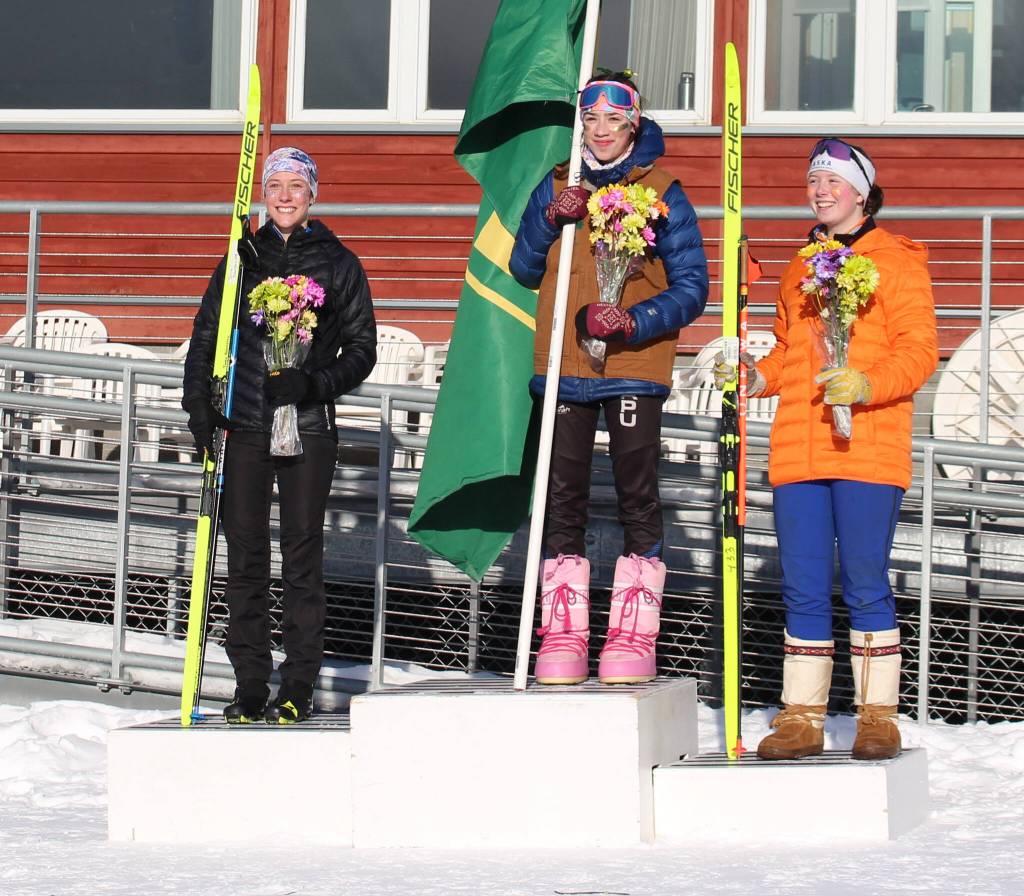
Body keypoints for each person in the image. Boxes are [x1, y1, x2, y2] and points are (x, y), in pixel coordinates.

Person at [715, 137, 938, 759]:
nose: (820, 189)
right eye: (813, 179)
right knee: (804, 585)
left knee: (866, 580)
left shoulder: (897, 259)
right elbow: (790, 353)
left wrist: (867, 385)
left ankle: (876, 717)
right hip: (799, 446)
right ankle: (803, 717)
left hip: (869, 443)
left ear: (862, 192)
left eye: (834, 180)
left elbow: (920, 350)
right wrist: (755, 377)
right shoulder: (798, 265)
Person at [509, 71, 709, 686]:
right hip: (565, 362)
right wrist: (549, 217)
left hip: (632, 365)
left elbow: (694, 288)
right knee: (560, 499)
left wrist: (634, 320)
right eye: (590, 119)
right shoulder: (557, 182)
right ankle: (563, 629)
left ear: (634, 123)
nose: (600, 131)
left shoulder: (663, 190)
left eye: (613, 119)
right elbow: (521, 266)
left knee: (635, 494)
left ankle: (634, 630)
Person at [182, 147, 377, 724]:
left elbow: (362, 351)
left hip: (309, 428)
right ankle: (248, 683)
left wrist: (313, 383)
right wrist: (198, 404)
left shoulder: (339, 263)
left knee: (300, 557)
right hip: (244, 424)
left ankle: (297, 685)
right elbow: (206, 334)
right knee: (242, 555)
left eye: (296, 185)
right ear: (263, 195)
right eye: (276, 186)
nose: (286, 196)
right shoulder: (242, 259)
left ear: (313, 193)